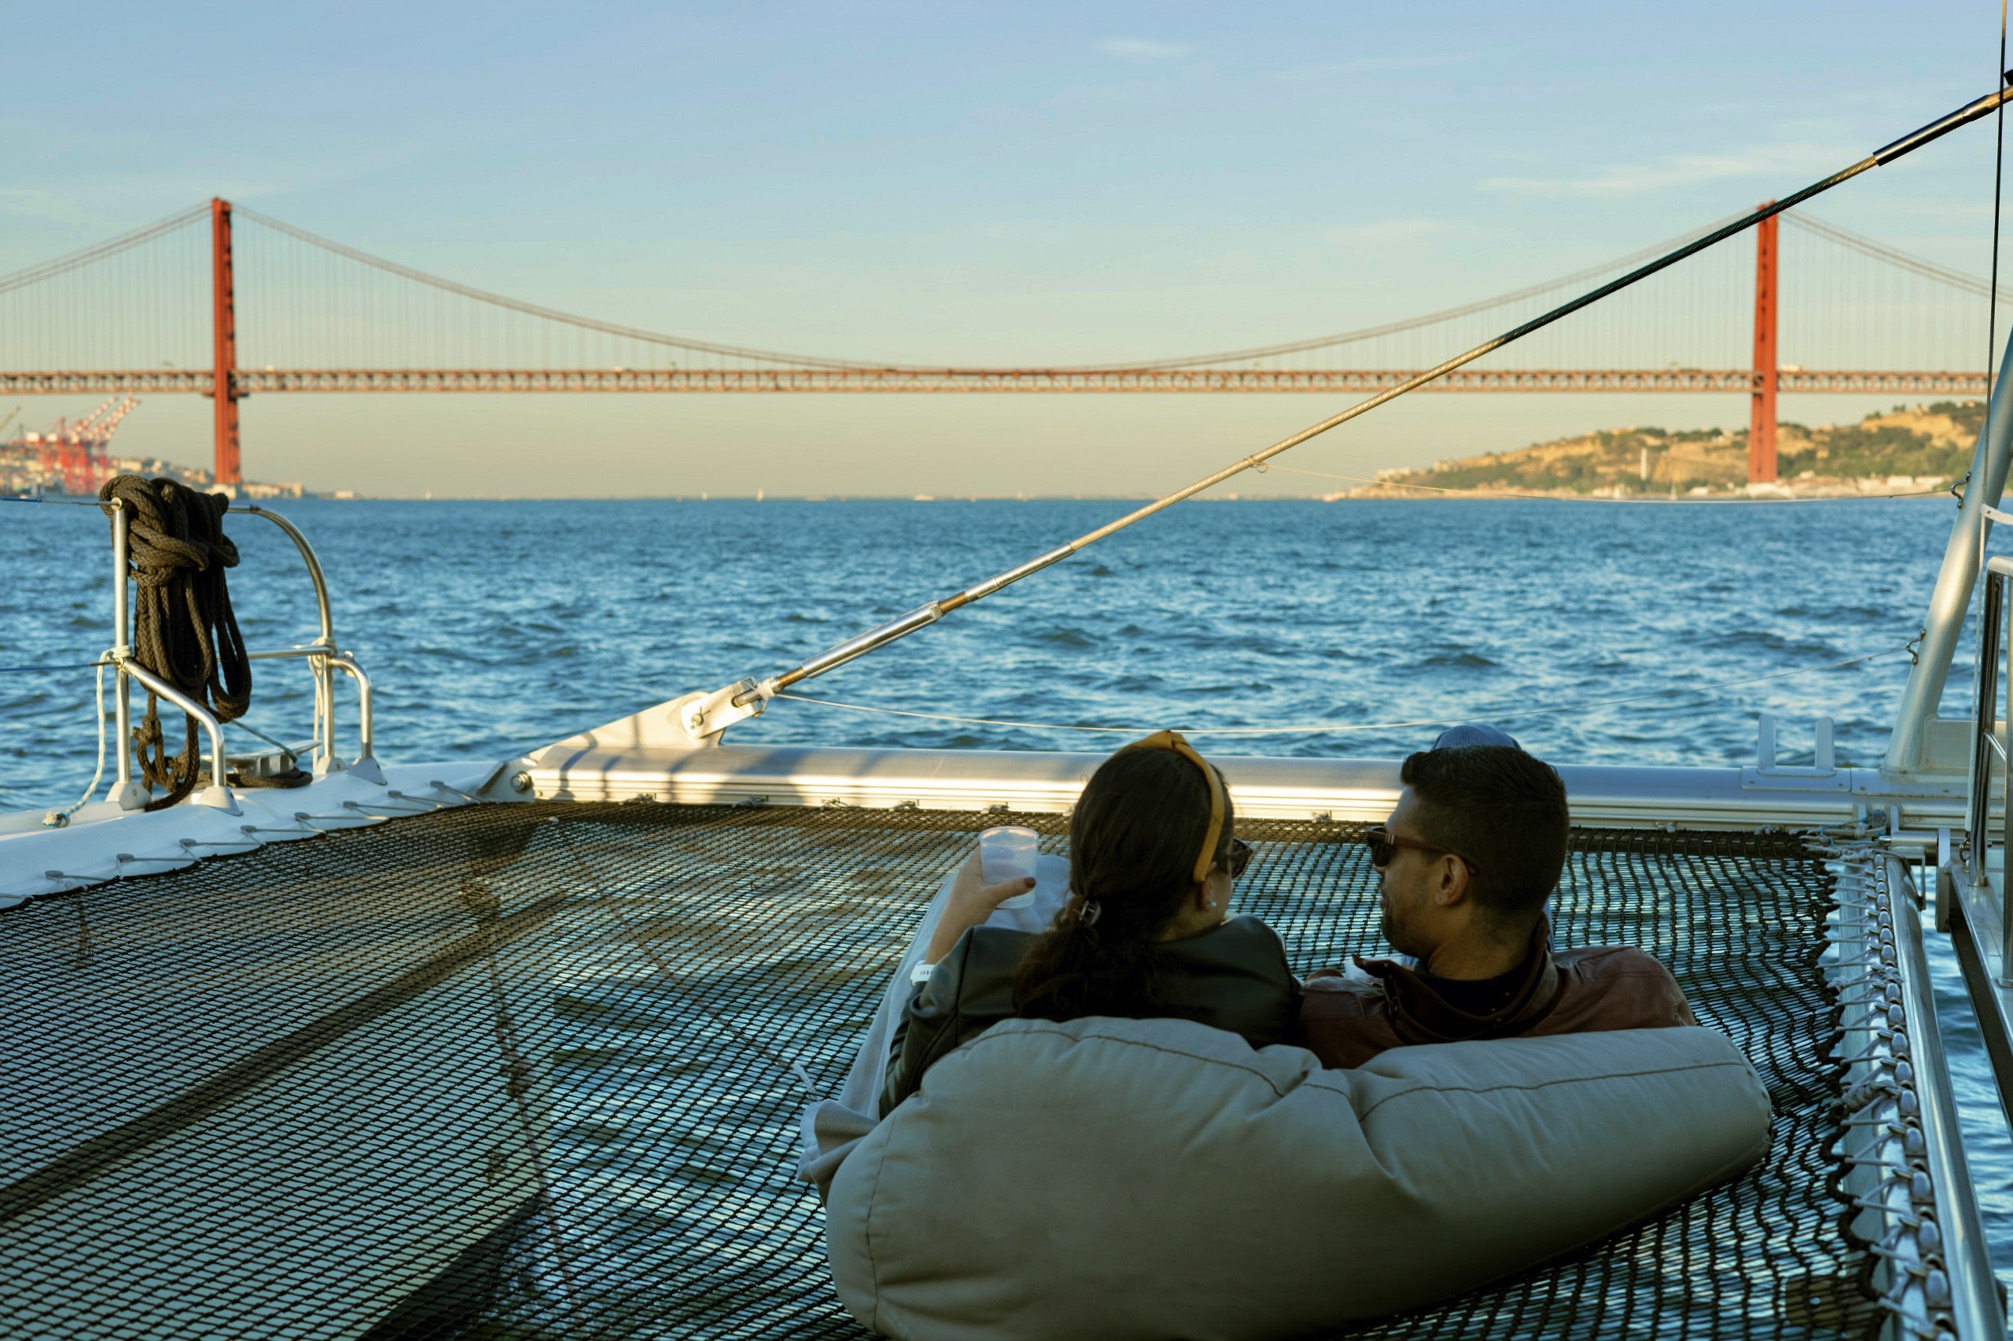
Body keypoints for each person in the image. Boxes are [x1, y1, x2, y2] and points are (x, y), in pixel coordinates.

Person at [878, 730, 1301, 1115]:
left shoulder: (979, 974)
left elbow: (894, 1102)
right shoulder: (1259, 981)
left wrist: (942, 947)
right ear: (1205, 885)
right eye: (1234, 858)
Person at [1300, 740, 1695, 1069]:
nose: (1379, 866)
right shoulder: (1638, 990)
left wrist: (1329, 988)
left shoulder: (1331, 1024)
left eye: (1385, 846)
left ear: (1448, 879)